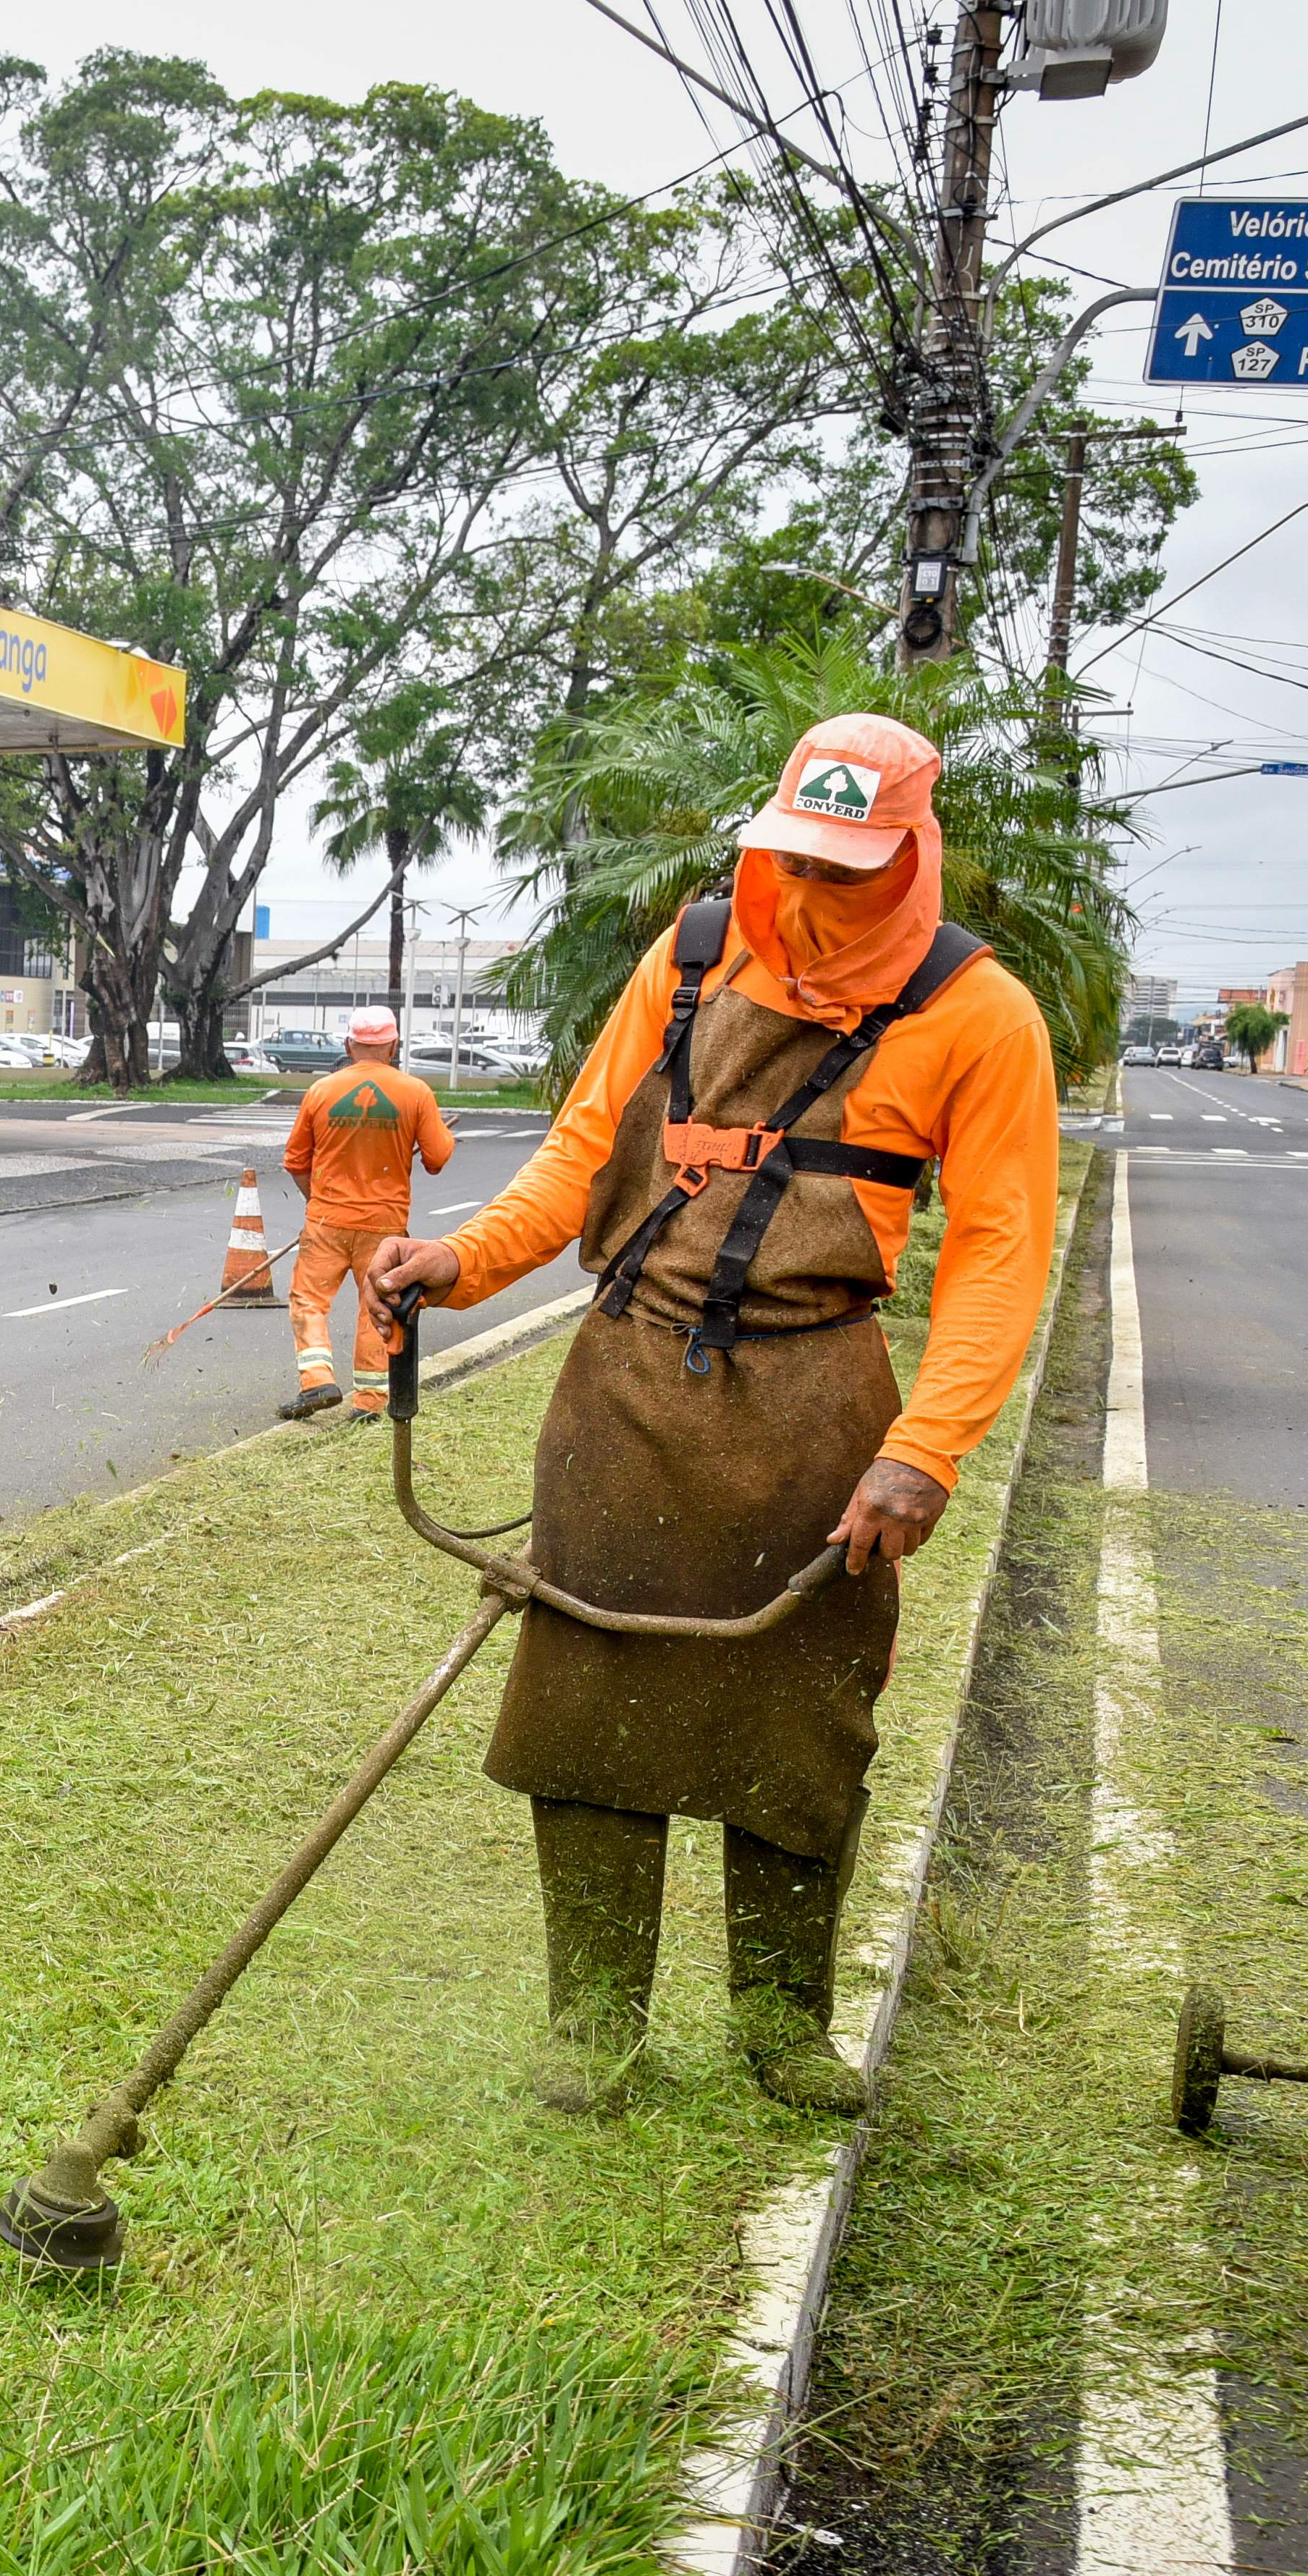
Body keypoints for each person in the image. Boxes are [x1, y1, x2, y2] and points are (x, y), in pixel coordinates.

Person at [366, 713, 1058, 2117]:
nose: (814, 889)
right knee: (590, 1703)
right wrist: (467, 1258)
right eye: (798, 855)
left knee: (800, 1724)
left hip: (819, 1401)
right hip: (623, 1382)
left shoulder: (982, 1014)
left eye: (849, 865)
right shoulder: (693, 956)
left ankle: (778, 2025)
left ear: (912, 852)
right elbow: (584, 1145)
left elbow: (1000, 1249)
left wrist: (921, 1452)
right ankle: (594, 2027)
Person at [275, 1005, 455, 1423]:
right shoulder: (415, 1093)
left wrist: (316, 1201)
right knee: (376, 1306)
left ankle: (316, 1379)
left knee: (309, 1299)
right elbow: (437, 1159)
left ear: (349, 1045)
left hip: (327, 1220)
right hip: (385, 1228)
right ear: (393, 1045)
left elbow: (296, 1160)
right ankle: (370, 1404)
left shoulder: (322, 1091)